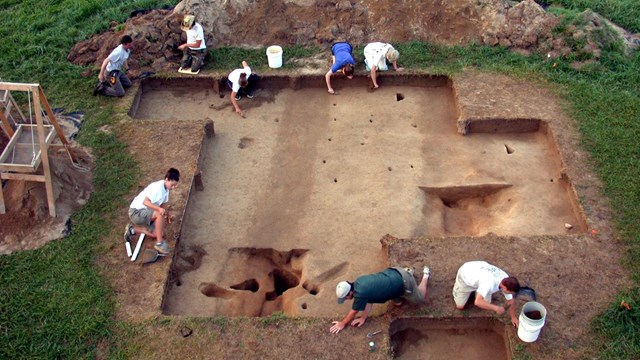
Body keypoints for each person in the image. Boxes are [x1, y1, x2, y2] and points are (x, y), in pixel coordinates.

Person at [329, 265, 431, 334]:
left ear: (350, 293)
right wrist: (363, 318)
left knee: (419, 299)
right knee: (398, 303)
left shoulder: (360, 294)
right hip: (393, 272)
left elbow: (353, 312)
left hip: (403, 281)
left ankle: (425, 275)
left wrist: (342, 324)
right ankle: (407, 273)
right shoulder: (359, 282)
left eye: (345, 298)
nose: (346, 299)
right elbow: (369, 301)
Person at [124, 168, 180, 254]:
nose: (173, 187)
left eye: (175, 185)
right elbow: (145, 202)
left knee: (159, 234)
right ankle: (159, 243)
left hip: (147, 212)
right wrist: (159, 209)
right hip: (136, 213)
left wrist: (168, 216)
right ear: (166, 179)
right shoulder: (157, 188)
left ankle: (132, 230)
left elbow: (164, 205)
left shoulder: (166, 190)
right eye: (172, 185)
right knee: (159, 215)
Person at [452, 261, 521, 326]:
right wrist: (496, 308)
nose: (511, 294)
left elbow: (511, 301)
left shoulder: (506, 280)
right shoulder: (489, 283)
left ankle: (479, 291)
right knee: (460, 306)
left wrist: (513, 317)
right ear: (505, 287)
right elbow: (477, 302)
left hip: (481, 274)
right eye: (510, 292)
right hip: (466, 275)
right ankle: (458, 289)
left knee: (486, 302)